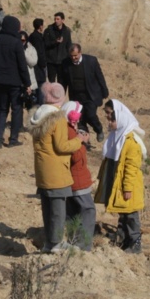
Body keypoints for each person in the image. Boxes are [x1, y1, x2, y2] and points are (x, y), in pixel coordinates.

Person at [27, 83, 88, 253]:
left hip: (42, 169)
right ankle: (56, 243)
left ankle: (49, 242)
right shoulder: (57, 117)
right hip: (56, 171)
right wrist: (79, 139)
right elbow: (61, 146)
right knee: (58, 210)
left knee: (48, 208)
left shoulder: (39, 114)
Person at [95, 99, 146, 254]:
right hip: (118, 183)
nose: (108, 118)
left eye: (110, 115)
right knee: (123, 212)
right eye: (107, 114)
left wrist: (127, 188)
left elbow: (131, 168)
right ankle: (123, 239)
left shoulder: (131, 142)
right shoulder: (116, 137)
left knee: (131, 214)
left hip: (127, 185)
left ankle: (135, 243)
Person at [0, 15, 32, 149]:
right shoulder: (16, 42)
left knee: (1, 110)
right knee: (16, 109)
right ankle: (13, 139)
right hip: (14, 82)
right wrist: (27, 83)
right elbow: (22, 65)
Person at [62, 100, 96, 251]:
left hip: (70, 179)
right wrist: (81, 141)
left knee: (72, 212)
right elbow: (76, 157)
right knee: (87, 210)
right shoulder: (70, 132)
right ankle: (83, 245)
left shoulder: (64, 129)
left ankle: (73, 241)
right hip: (78, 180)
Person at [60, 43, 109, 142]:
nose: (73, 58)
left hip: (90, 95)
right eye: (71, 56)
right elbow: (63, 82)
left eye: (75, 55)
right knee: (79, 119)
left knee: (90, 114)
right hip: (76, 96)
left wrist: (104, 90)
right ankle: (83, 140)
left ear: (80, 53)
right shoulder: (65, 63)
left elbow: (99, 76)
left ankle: (98, 129)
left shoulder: (91, 61)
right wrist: (61, 97)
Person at [43, 12, 72, 83]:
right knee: (51, 82)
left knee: (61, 82)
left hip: (62, 61)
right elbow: (45, 44)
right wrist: (55, 42)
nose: (56, 20)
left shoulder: (67, 31)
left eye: (58, 19)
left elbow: (69, 46)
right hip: (51, 61)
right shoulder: (48, 30)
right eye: (55, 19)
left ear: (62, 20)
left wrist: (69, 59)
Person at [28, 18, 48, 103]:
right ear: (40, 26)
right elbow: (40, 52)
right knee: (40, 87)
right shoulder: (37, 37)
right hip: (38, 67)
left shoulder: (33, 36)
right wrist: (43, 64)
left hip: (36, 66)